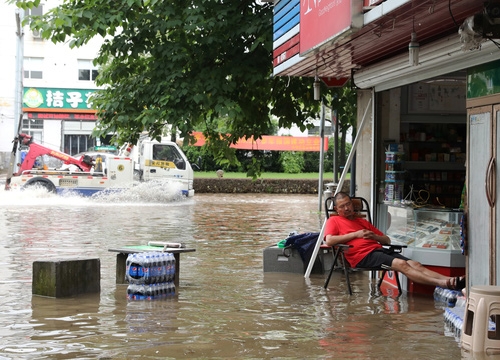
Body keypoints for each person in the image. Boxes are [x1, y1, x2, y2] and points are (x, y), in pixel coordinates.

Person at [324, 191, 466, 290]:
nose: (347, 208)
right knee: (401, 264)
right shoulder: (334, 220)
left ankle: (450, 279)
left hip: (378, 250)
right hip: (362, 255)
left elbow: (386, 240)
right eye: (342, 206)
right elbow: (329, 241)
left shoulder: (361, 221)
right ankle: (444, 284)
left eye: (348, 204)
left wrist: (375, 237)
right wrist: (356, 235)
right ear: (336, 209)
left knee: (415, 264)